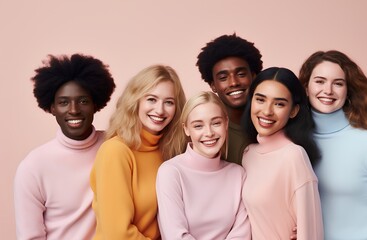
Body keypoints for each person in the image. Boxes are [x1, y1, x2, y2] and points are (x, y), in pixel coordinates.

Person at [299, 50, 367, 239]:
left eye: (338, 83)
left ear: (348, 90)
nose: (328, 90)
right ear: (305, 87)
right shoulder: (295, 142)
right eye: (320, 81)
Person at [14, 54, 116, 240]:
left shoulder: (115, 147)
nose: (74, 109)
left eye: (83, 101)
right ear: (52, 108)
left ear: (96, 104)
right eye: (63, 102)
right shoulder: (33, 167)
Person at [90, 64, 186, 239]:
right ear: (136, 101)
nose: (160, 110)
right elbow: (117, 234)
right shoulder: (116, 151)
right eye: (151, 99)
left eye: (169, 102)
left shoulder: (170, 151)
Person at [241, 67, 324, 239]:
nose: (267, 111)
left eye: (279, 103)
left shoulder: (294, 155)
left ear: (293, 111)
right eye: (260, 100)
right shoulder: (249, 154)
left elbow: (311, 232)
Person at [156, 91, 251, 240]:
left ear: (226, 123)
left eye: (216, 123)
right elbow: (175, 235)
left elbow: (241, 235)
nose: (209, 133)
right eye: (198, 126)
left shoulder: (238, 174)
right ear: (186, 129)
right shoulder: (171, 172)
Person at [196, 33, 263, 165]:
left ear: (254, 76)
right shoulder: (207, 134)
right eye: (223, 78)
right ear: (213, 85)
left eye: (241, 74)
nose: (233, 83)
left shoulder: (270, 123)